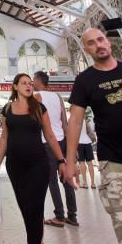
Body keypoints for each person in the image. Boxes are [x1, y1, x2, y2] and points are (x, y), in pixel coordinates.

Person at [64, 28, 122, 244]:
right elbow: (74, 121)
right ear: (86, 50)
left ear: (109, 42)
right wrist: (70, 162)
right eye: (91, 43)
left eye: (101, 39)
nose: (98, 45)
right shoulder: (85, 80)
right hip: (114, 164)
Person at [0, 73, 67, 244]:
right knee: (25, 207)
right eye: (24, 83)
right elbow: (4, 138)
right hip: (15, 166)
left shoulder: (39, 108)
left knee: (35, 207)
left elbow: (50, 135)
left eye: (30, 83)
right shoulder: (7, 109)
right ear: (15, 86)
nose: (28, 86)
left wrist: (62, 160)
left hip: (38, 164)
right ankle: (37, 239)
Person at [33, 70, 78, 227]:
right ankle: (72, 215)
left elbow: (35, 121)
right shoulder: (58, 97)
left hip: (48, 142)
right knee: (66, 178)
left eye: (33, 81)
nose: (31, 84)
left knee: (51, 180)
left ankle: (59, 215)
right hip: (62, 141)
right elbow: (64, 122)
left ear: (38, 82)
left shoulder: (36, 97)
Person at [77, 116, 96, 188]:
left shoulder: (73, 120)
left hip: (79, 142)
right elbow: (90, 131)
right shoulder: (85, 120)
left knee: (82, 162)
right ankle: (93, 183)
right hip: (87, 142)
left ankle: (85, 183)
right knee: (90, 163)